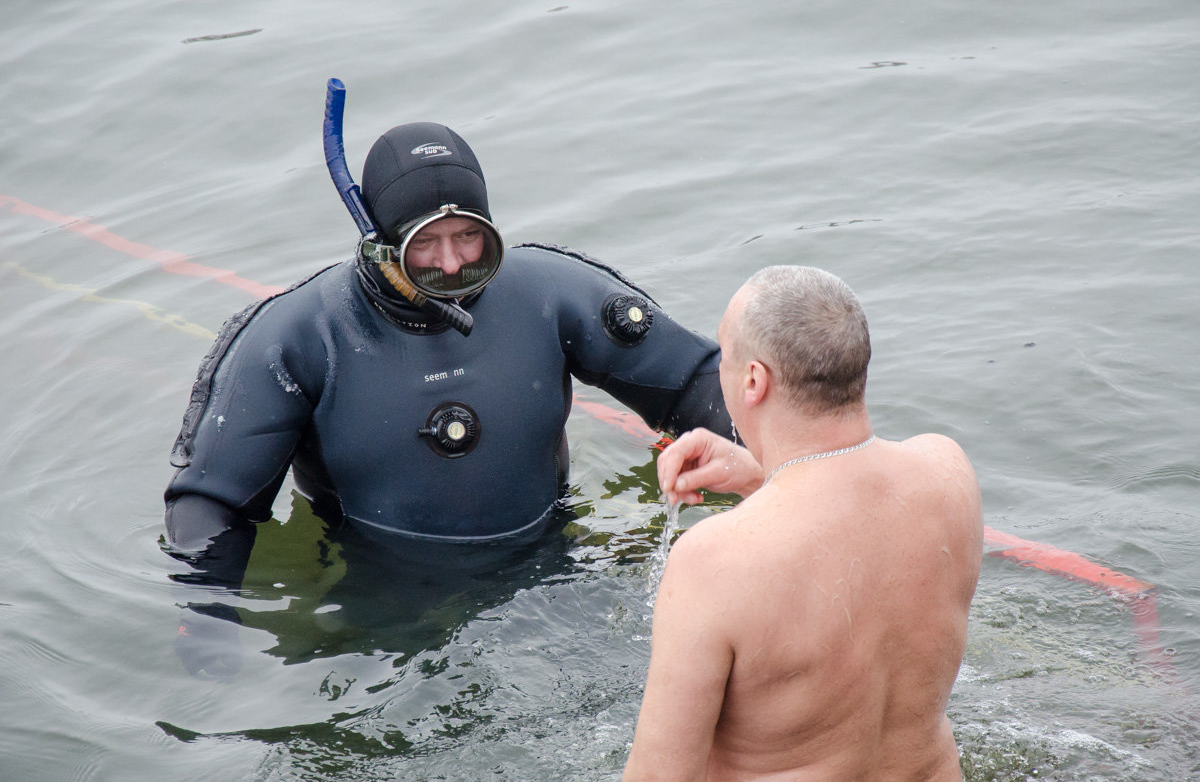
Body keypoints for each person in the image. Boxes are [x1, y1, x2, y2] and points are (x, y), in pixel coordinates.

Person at [163, 121, 731, 674]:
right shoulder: (299, 337)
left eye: (468, 235)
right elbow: (211, 504)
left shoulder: (548, 292)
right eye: (425, 243)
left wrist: (787, 475)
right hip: (381, 608)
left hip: (551, 574)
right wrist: (209, 622)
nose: (453, 262)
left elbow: (697, 379)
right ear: (380, 239)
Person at [624, 266, 982, 780]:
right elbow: (846, 522)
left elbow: (659, 776)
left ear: (753, 380)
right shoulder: (948, 474)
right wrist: (759, 477)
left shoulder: (715, 561)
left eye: (725, 357)